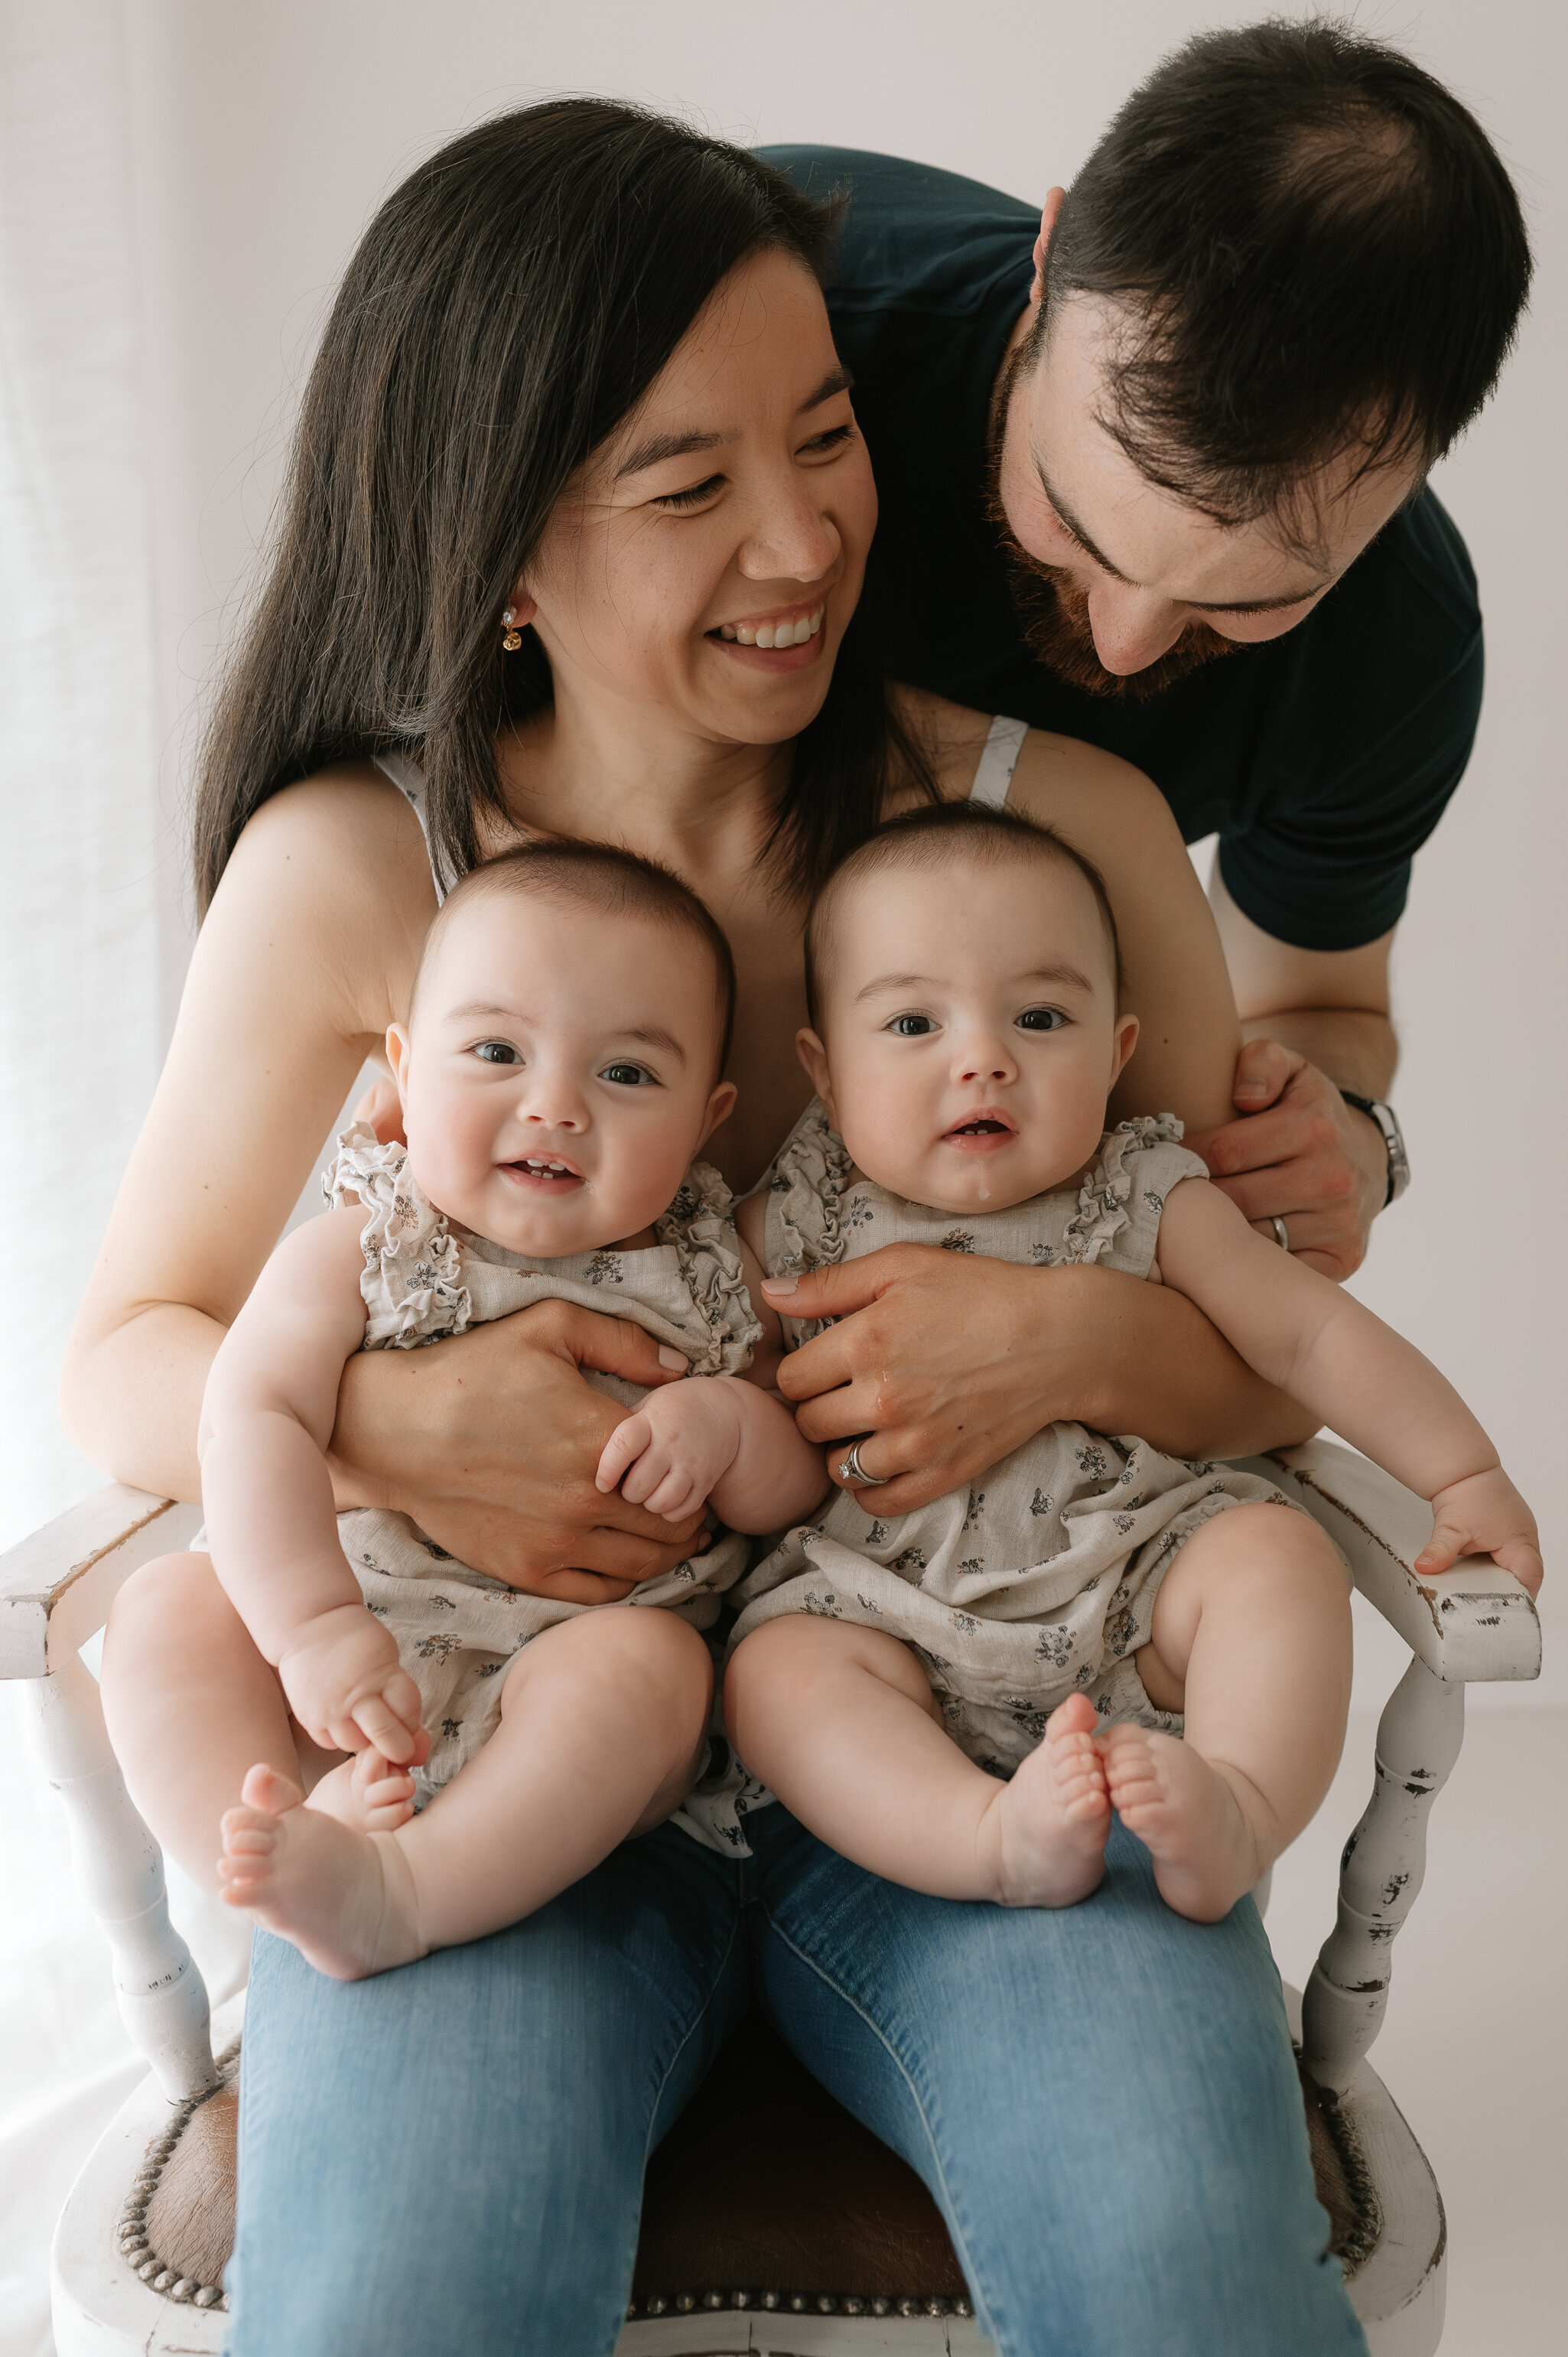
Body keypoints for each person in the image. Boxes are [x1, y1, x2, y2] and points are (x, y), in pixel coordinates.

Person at [63, 102, 1364, 2355]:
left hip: (993, 1739)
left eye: (829, 435)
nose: (802, 537)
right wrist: (387, 1423)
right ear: (497, 554)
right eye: (688, 485)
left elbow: (1259, 1353)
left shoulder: (1050, 830)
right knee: (395, 2302)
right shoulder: (361, 868)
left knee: (1181, 2275)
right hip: (498, 1781)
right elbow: (129, 1341)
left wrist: (1049, 1349)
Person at [763, 16, 1534, 1283]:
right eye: (1069, 519)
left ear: (1417, 470)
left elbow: (1315, 1004)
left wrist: (1345, 1133)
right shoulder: (765, 320)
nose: (1121, 651)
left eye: (1247, 601)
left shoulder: (1397, 650)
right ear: (1048, 254)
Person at [721, 802, 1543, 1923]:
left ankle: (1236, 1807)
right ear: (823, 1068)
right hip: (882, 1618)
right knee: (778, 1672)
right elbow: (698, 1366)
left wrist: (1460, 1473)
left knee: (1272, 1556)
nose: (982, 1059)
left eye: (1041, 1015)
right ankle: (982, 1838)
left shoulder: (1146, 1196)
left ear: (1115, 1050)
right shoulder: (790, 1226)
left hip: (1131, 1598)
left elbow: (1307, 1334)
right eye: (912, 1023)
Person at [103, 843, 827, 1982]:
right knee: (162, 1616)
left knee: (657, 1671)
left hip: (567, 1691)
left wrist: (729, 1430)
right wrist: (312, 1631)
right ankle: (283, 1842)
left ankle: (411, 1889)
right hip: (345, 1654)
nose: (555, 1106)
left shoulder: (713, 1272)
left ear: (704, 1119)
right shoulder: (361, 1246)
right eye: (495, 1050)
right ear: (403, 1064)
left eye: (628, 1075)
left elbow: (799, 1484)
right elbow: (250, 1416)